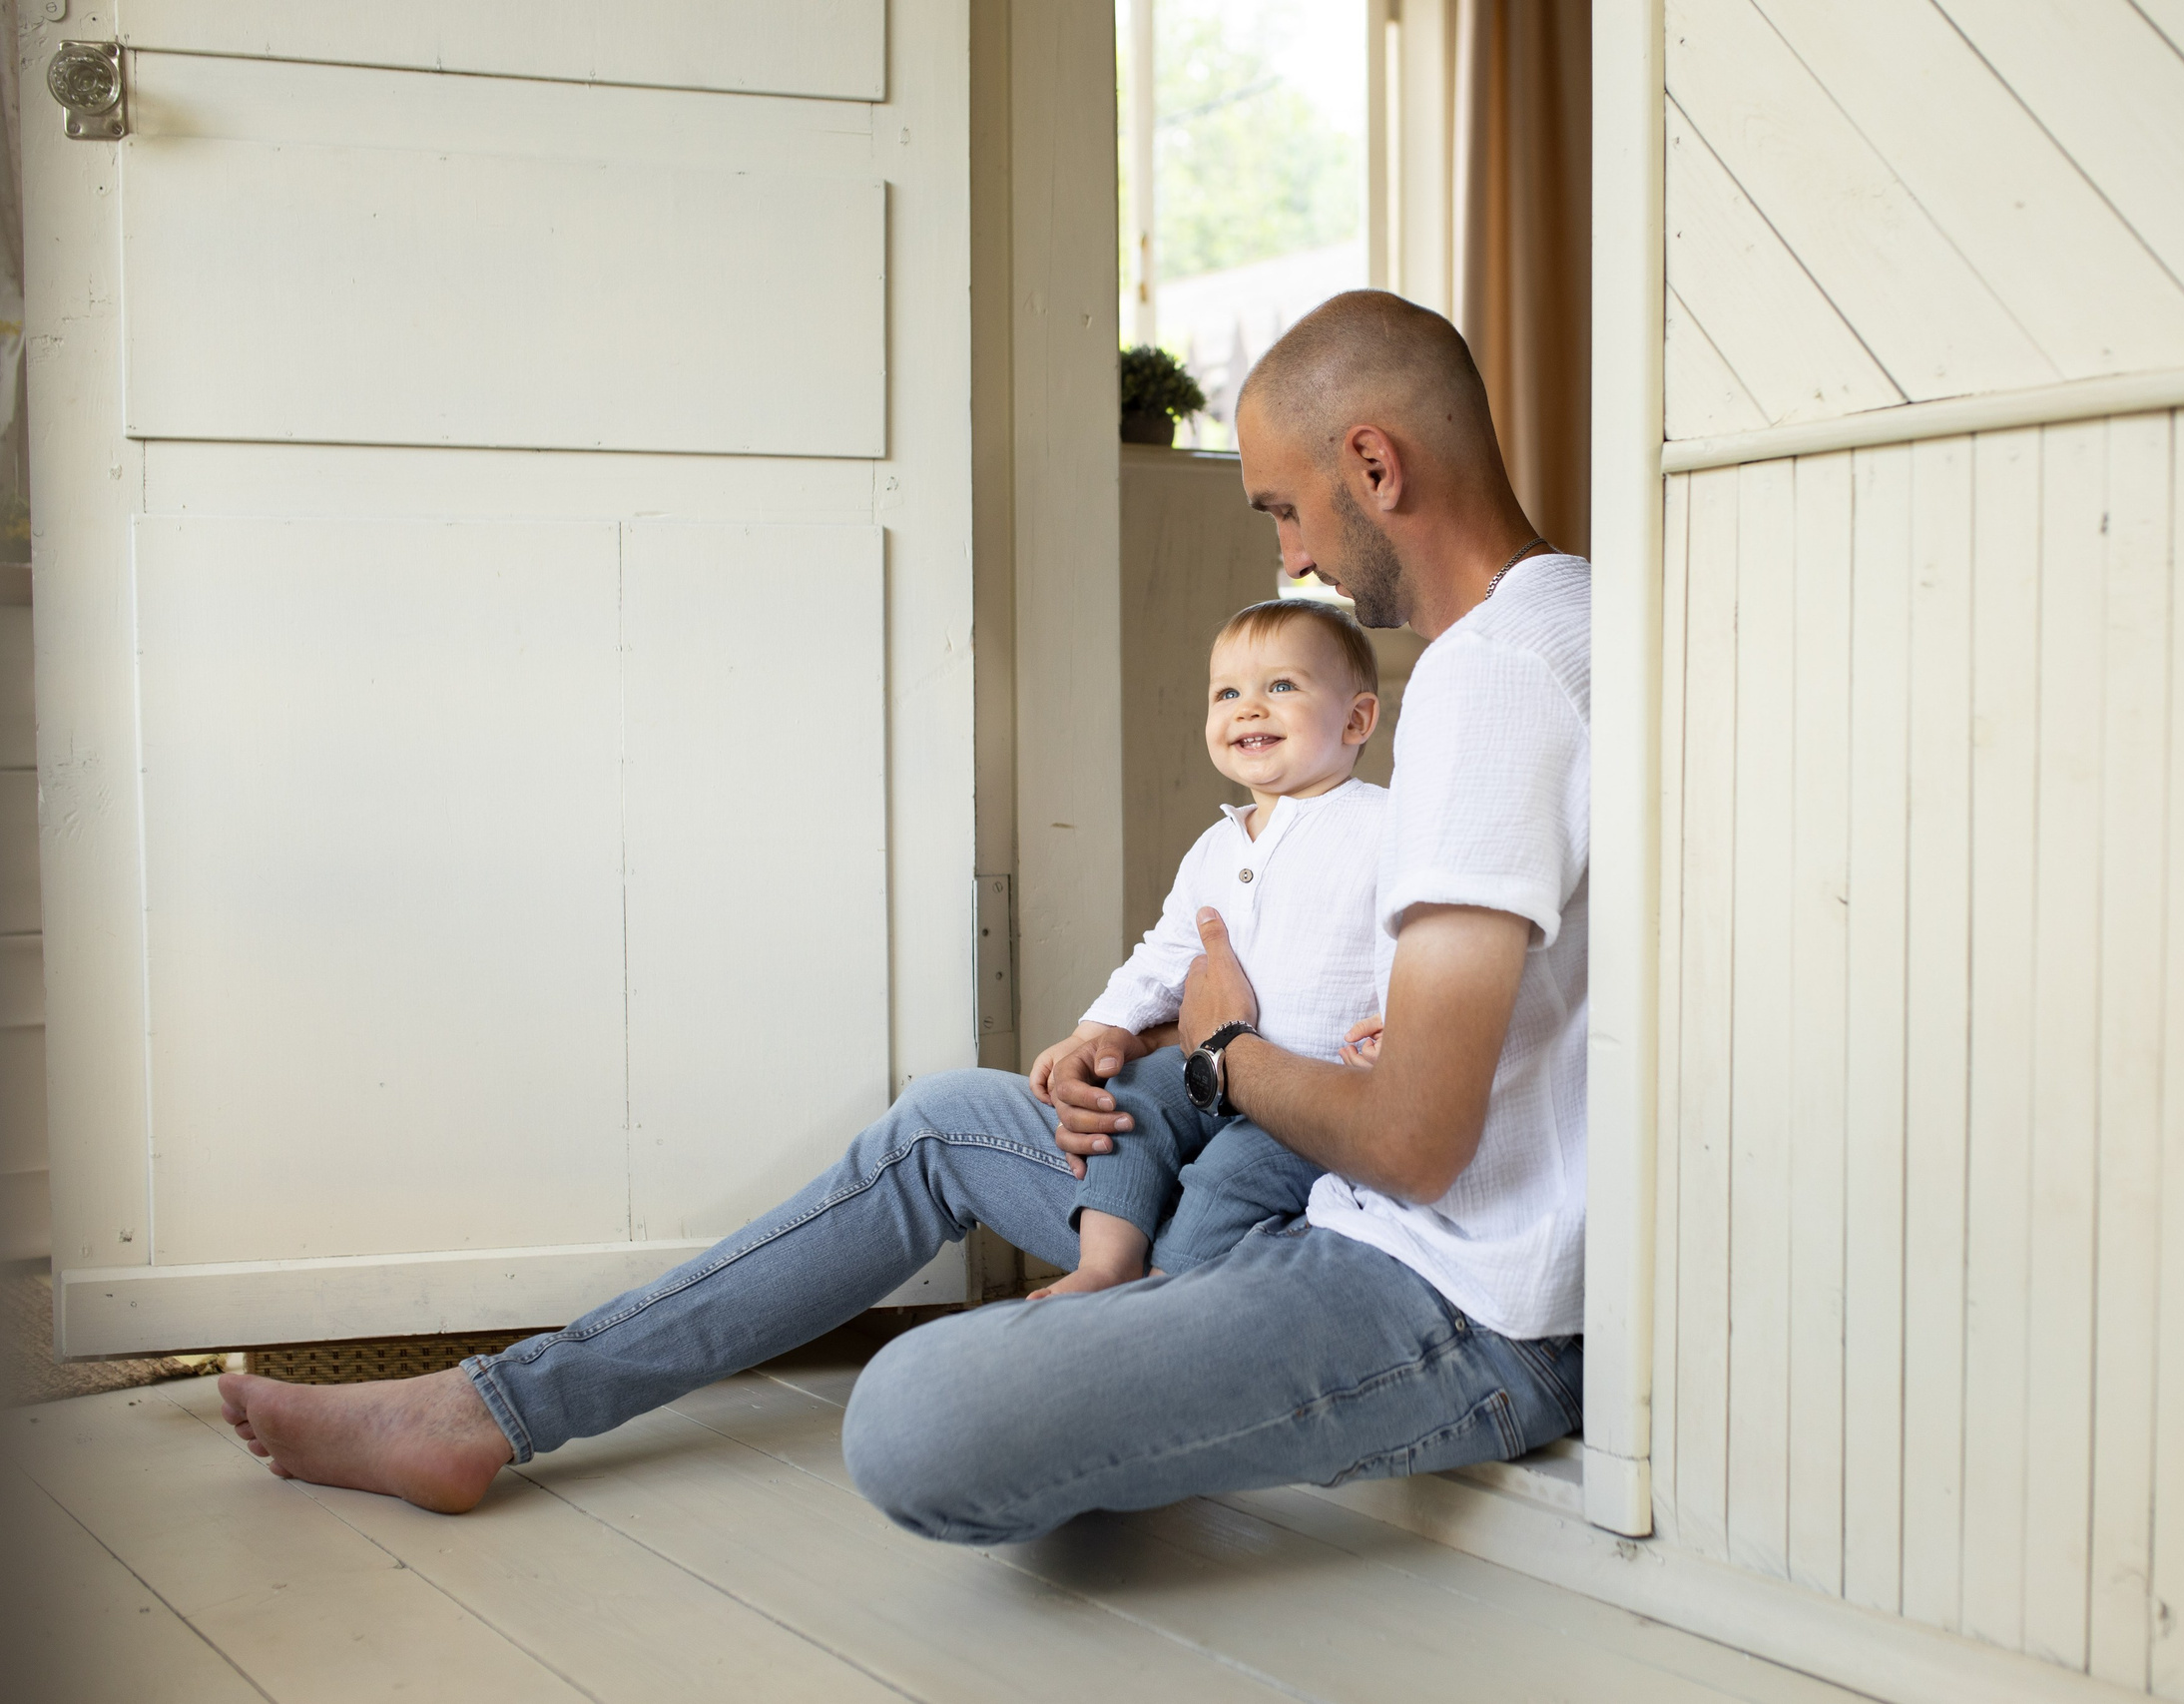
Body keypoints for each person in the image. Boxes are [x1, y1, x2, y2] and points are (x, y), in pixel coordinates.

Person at [217, 289, 1592, 1545]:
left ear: (1374, 464)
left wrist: (1224, 1050)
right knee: (942, 1119)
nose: (1294, 558)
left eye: (1284, 510)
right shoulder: (1577, 617)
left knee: (914, 1415)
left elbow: (1414, 1136)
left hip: (1448, 1300)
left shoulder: (1490, 682)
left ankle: (1154, 1325)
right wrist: (1160, 1032)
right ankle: (484, 1408)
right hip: (1334, 1183)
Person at [1031, 596, 1387, 1296]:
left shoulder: (1382, 825)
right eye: (1227, 692)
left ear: (1356, 719)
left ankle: (1169, 1291)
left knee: (1230, 1173)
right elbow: (1164, 954)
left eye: (1281, 685)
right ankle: (1105, 1264)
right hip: (1205, 1073)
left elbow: (1412, 940)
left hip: (1308, 1095)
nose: (1249, 708)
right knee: (1129, 1095)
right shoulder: (1214, 847)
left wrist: (1397, 1027)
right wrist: (1097, 1029)